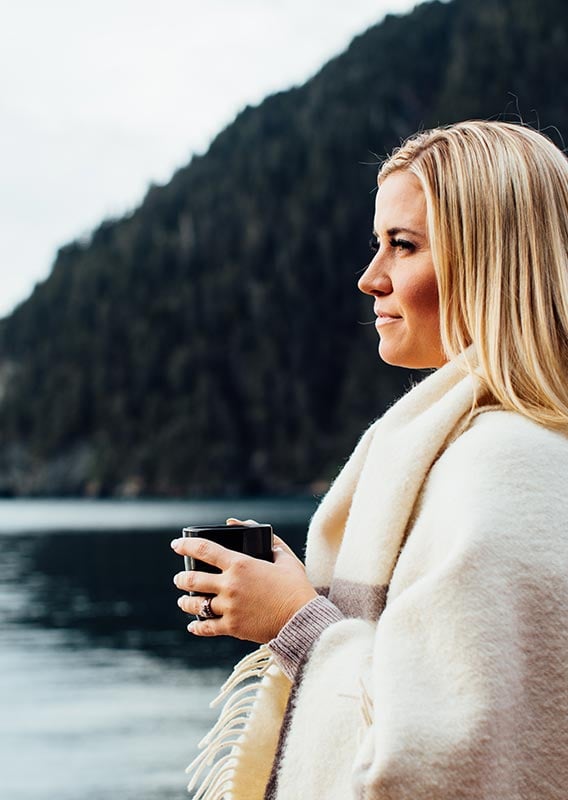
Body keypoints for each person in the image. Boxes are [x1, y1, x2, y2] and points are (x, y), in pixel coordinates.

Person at [170, 120, 568, 800]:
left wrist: (298, 624)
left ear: (488, 262)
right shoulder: (510, 451)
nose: (369, 278)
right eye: (374, 245)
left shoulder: (501, 470)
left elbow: (436, 772)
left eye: (402, 246)